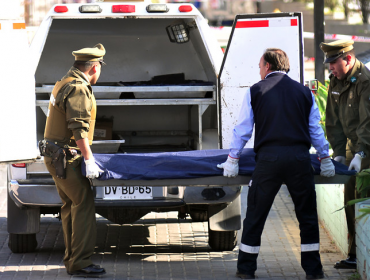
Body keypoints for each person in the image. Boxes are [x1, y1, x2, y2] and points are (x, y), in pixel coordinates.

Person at [217, 48, 335, 279]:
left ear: (268, 66)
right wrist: (325, 157)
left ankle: (246, 270)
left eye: (260, 66)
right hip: (299, 160)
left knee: (256, 215)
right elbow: (315, 130)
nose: (259, 70)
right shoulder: (303, 92)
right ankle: (314, 271)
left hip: (269, 160)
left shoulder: (256, 91)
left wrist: (233, 159)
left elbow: (242, 130)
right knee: (307, 216)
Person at [42, 44, 106, 276]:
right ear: (94, 67)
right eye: (100, 68)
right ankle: (79, 262)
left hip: (56, 156)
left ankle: (72, 259)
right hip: (66, 158)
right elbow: (78, 128)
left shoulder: (64, 81)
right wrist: (89, 159)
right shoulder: (79, 88)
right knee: (83, 205)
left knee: (70, 206)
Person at [320, 39, 370, 269]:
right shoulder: (336, 81)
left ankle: (362, 253)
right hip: (353, 147)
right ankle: (354, 254)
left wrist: (360, 153)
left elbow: (367, 123)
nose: (330, 67)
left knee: (362, 195)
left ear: (348, 59)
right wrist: (339, 152)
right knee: (350, 199)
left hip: (367, 146)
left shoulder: (364, 81)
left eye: (333, 62)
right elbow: (333, 120)